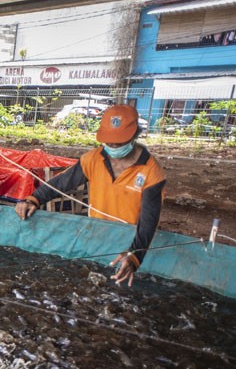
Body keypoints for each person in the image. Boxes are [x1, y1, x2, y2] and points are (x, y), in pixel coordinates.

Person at [14, 104, 166, 287]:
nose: (113, 147)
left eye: (119, 143)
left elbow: (149, 219)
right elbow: (62, 182)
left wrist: (135, 255)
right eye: (109, 142)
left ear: (134, 136)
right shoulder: (93, 159)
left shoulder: (151, 171)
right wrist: (34, 199)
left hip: (130, 238)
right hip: (96, 235)